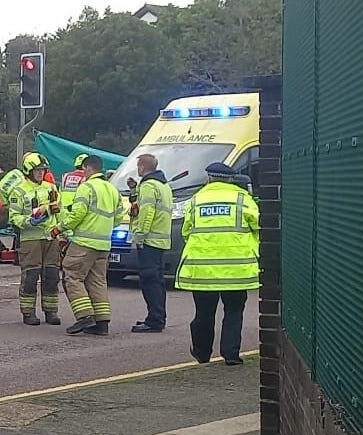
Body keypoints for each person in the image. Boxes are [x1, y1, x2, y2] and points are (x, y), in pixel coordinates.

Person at [175, 162, 259, 365]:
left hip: (203, 270)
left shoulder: (196, 200)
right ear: (230, 179)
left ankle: (202, 353)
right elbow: (258, 225)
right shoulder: (243, 199)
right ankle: (230, 355)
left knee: (204, 313)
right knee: (233, 311)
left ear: (210, 178)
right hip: (236, 269)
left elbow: (186, 231)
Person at [58, 155, 119, 335]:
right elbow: (119, 217)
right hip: (104, 243)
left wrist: (60, 228)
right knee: (97, 280)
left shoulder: (86, 187)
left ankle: (84, 317)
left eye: (83, 170)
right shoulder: (111, 189)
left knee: (72, 276)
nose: (82, 173)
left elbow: (77, 214)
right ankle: (102, 322)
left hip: (84, 242)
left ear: (88, 168)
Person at [0, 152, 63, 325]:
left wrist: (60, 229)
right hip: (30, 239)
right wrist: (29, 221)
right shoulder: (18, 191)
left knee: (51, 276)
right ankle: (28, 312)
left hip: (50, 238)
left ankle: (51, 312)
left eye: (43, 170)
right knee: (31, 276)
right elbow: (14, 217)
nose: (41, 173)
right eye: (37, 170)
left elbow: (58, 210)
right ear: (28, 171)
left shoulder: (51, 188)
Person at [129, 154, 174, 333]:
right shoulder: (163, 185)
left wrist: (139, 236)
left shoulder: (148, 186)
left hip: (149, 240)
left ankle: (154, 320)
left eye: (138, 165)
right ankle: (157, 317)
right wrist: (133, 190)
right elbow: (140, 206)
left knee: (149, 282)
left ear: (142, 166)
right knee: (157, 281)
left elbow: (146, 213)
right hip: (161, 240)